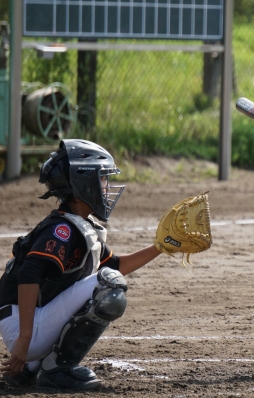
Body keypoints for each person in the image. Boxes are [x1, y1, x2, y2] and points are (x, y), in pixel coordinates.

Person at [0, 139, 162, 391]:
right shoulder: (62, 229)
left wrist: (161, 247)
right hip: (23, 328)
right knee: (109, 285)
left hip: (27, 323)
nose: (106, 186)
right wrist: (24, 338)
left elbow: (116, 264)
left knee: (108, 277)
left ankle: (34, 367)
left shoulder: (79, 226)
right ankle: (56, 369)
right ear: (83, 184)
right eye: (102, 178)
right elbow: (29, 272)